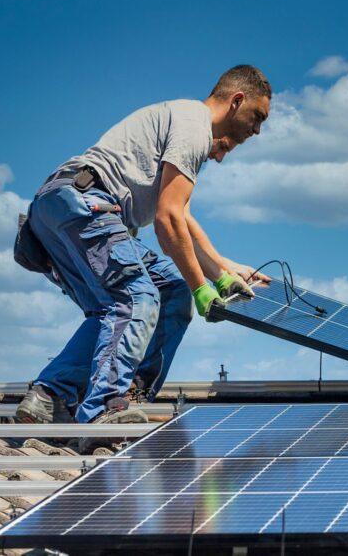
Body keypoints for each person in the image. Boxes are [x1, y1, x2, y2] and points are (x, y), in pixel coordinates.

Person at [14, 65, 272, 426]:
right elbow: (167, 223)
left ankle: (52, 395)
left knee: (167, 291)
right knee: (135, 298)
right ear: (236, 101)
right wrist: (202, 289)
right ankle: (105, 407)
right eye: (257, 117)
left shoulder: (183, 121)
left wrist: (223, 270)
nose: (257, 130)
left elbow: (181, 217)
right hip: (86, 205)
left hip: (62, 208)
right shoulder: (195, 127)